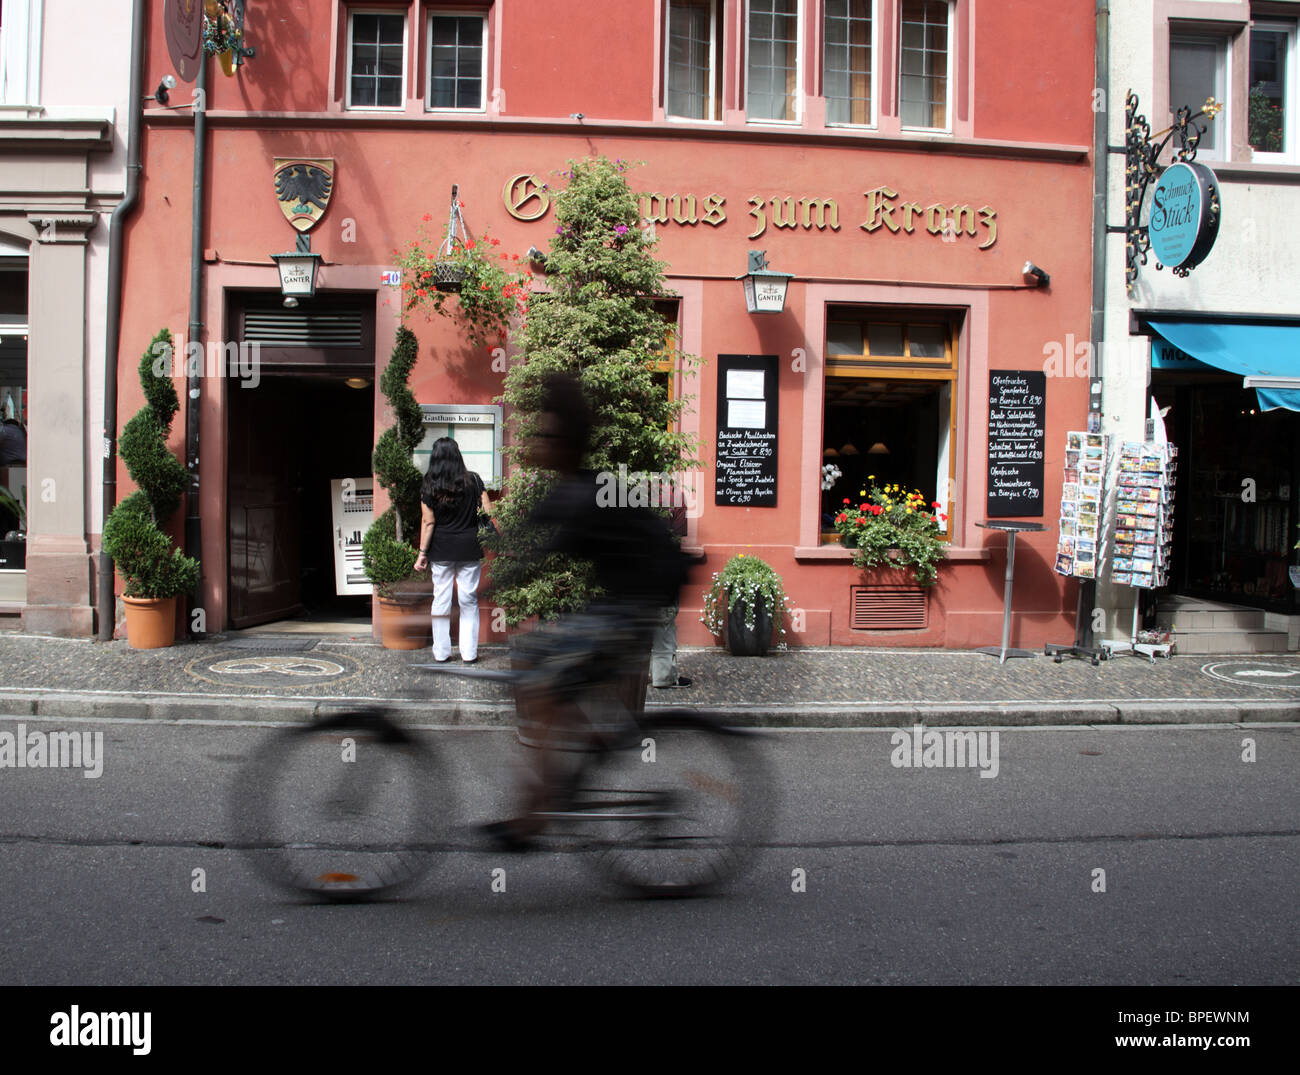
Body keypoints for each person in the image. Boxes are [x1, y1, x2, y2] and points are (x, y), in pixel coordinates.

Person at [482, 373, 686, 849]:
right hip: (618, 604)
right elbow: (519, 547)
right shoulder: (571, 488)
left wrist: (462, 594)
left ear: (567, 444)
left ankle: (537, 811)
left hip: (633, 610)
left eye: (545, 436)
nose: (536, 442)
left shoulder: (579, 495)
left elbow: (523, 560)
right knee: (539, 664)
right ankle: (578, 757)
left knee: (542, 679)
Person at [413, 438, 492, 663]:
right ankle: (469, 653)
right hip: (469, 548)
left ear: (435, 458)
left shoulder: (429, 484)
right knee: (468, 600)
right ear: (458, 455)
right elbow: (488, 510)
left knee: (441, 600)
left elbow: (428, 523)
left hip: (441, 550)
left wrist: (422, 554)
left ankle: (441, 652)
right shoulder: (474, 480)